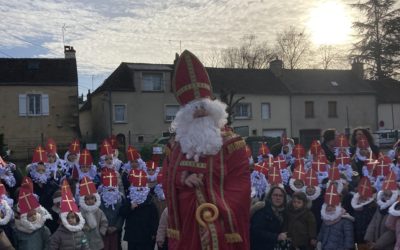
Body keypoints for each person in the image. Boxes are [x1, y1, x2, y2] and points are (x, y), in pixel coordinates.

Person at [164, 50, 250, 250]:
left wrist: (217, 210)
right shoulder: (175, 146)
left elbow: (241, 183)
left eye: (203, 106)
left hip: (221, 224)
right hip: (187, 223)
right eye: (194, 108)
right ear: (185, 114)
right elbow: (167, 176)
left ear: (213, 108)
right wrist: (182, 178)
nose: (200, 111)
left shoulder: (232, 144)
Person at [121, 168, 158, 250]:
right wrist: (130, 207)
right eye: (137, 187)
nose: (139, 189)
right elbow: (122, 213)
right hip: (132, 236)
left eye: (141, 187)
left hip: (146, 236)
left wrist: (153, 233)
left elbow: (154, 219)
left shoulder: (150, 201)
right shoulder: (129, 199)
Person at [49, 180, 89, 250]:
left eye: (73, 217)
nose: (70, 219)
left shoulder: (81, 233)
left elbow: (85, 245)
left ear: (77, 218)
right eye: (67, 218)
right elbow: (52, 247)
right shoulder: (58, 234)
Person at [364, 171, 397, 250]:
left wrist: (378, 244)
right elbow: (373, 222)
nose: (387, 198)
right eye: (385, 195)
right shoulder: (380, 207)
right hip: (375, 242)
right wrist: (368, 238)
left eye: (390, 195)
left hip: (388, 246)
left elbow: (392, 232)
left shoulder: (396, 210)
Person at [13, 185, 52, 250]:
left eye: (34, 214)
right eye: (30, 215)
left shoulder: (43, 229)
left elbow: (48, 244)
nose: (33, 217)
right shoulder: (17, 231)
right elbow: (16, 245)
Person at [317, 184, 354, 250]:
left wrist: (348, 248)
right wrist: (319, 241)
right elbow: (322, 232)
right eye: (328, 206)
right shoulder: (326, 218)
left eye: (332, 206)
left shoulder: (345, 219)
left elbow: (348, 237)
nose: (330, 208)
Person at [79, 176, 108, 250]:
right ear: (83, 200)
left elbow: (104, 222)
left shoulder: (99, 211)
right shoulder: (81, 212)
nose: (90, 201)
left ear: (95, 199)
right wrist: (84, 227)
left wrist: (101, 231)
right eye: (87, 199)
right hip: (85, 238)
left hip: (97, 238)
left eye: (92, 198)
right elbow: (78, 222)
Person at [350, 177, 377, 250]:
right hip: (356, 236)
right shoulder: (354, 205)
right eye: (361, 197)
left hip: (367, 237)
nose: (362, 198)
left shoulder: (372, 206)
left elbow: (373, 223)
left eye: (364, 197)